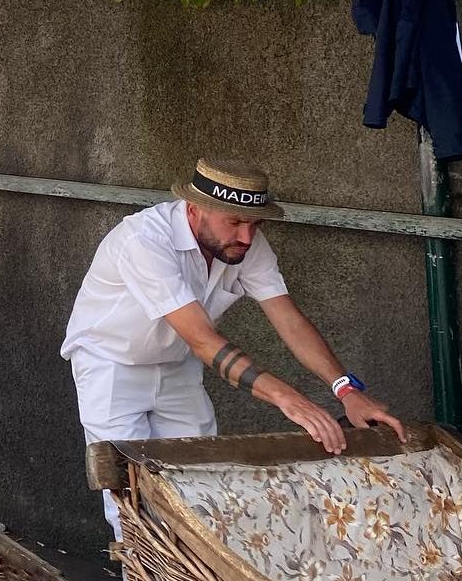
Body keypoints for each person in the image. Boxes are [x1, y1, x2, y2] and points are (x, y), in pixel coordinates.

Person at [62, 158, 405, 539]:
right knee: (129, 501)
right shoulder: (144, 241)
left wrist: (346, 390)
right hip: (112, 365)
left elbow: (288, 320)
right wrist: (287, 398)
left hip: (177, 364)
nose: (246, 236)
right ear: (195, 209)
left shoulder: (243, 244)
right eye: (235, 222)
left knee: (202, 484)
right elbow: (203, 339)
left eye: (255, 223)